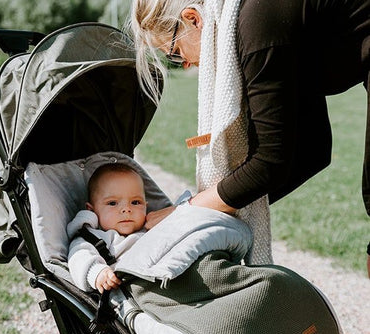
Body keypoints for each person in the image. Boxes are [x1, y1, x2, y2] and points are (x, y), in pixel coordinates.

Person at [129, 0, 370, 269]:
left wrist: (185, 214)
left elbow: (270, 162)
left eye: (174, 52)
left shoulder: (257, 25)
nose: (184, 64)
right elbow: (312, 150)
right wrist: (223, 207)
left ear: (193, 19)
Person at [67, 163, 147, 293]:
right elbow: (78, 257)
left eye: (135, 202)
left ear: (146, 205)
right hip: (133, 291)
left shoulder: (151, 226)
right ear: (92, 210)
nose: (126, 209)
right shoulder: (93, 237)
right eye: (112, 203)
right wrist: (97, 272)